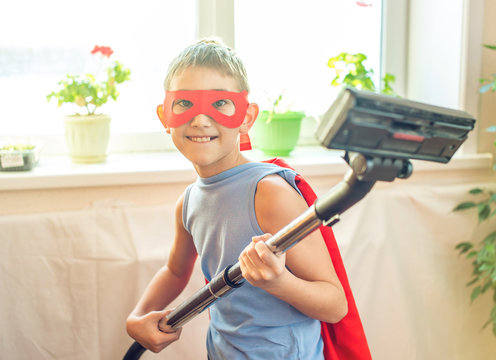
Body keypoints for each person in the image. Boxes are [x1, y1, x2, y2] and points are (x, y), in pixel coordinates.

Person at [125, 38, 348, 359]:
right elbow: (175, 271)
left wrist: (278, 281)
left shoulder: (269, 194)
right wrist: (138, 316)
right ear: (165, 116)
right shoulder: (188, 202)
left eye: (219, 103)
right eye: (185, 103)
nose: (200, 119)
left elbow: (334, 305)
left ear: (247, 116)